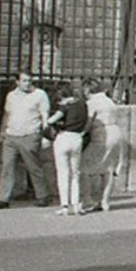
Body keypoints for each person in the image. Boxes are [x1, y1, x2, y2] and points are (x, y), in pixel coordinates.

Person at [0, 72, 53, 209]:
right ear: (17, 82)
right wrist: (2, 132)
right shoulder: (11, 96)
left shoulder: (39, 95)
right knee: (7, 167)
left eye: (30, 81)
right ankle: (3, 198)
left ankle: (42, 195)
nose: (27, 83)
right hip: (11, 135)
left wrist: (45, 135)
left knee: (34, 167)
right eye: (24, 81)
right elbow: (7, 115)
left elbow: (44, 115)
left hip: (30, 134)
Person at [47, 83, 90, 216]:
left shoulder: (65, 106)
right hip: (77, 139)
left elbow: (50, 121)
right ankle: (76, 205)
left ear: (62, 96)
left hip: (63, 138)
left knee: (63, 174)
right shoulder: (83, 105)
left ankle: (65, 206)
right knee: (75, 173)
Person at [82, 79, 121, 212]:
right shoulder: (109, 101)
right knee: (108, 169)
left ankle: (88, 200)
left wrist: (81, 133)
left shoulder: (92, 103)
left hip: (101, 134)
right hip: (116, 132)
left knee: (85, 167)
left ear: (88, 89)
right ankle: (104, 201)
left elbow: (88, 122)